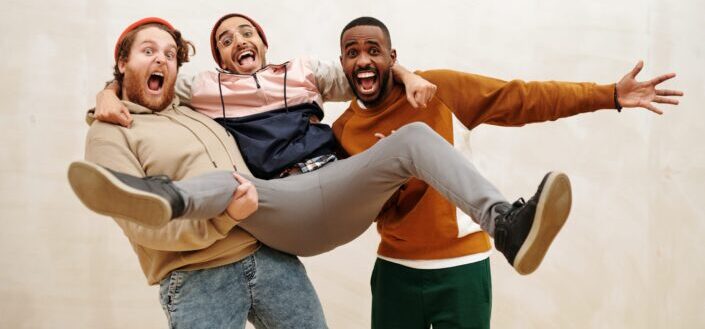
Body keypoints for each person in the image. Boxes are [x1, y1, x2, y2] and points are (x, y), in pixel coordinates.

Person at [75, 16, 578, 329]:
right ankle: (163, 197)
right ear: (216, 59)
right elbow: (141, 86)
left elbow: (369, 72)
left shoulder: (301, 74)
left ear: (264, 43)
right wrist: (107, 95)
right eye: (225, 39)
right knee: (233, 183)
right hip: (269, 211)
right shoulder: (201, 91)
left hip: (325, 200)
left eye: (246, 32)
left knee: (415, 140)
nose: (238, 41)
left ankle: (506, 225)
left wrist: (405, 72)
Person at [331, 16, 683, 329]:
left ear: (393, 60)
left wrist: (609, 95)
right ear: (343, 64)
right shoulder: (344, 130)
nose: (363, 59)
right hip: (395, 271)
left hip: (463, 269)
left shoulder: (441, 91)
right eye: (352, 52)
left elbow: (523, 97)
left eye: (374, 50)